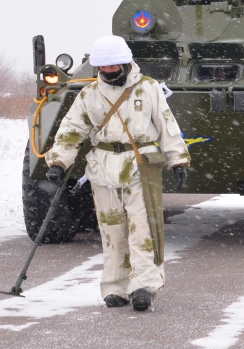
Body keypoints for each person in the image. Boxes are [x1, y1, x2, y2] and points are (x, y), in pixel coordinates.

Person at [44, 35, 190, 311]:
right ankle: (115, 288)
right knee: (112, 231)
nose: (110, 74)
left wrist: (178, 160)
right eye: (104, 69)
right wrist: (58, 162)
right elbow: (72, 129)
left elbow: (166, 124)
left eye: (114, 68)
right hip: (103, 168)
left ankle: (144, 286)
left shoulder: (148, 89)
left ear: (125, 63)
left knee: (142, 229)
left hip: (140, 167)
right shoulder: (89, 94)